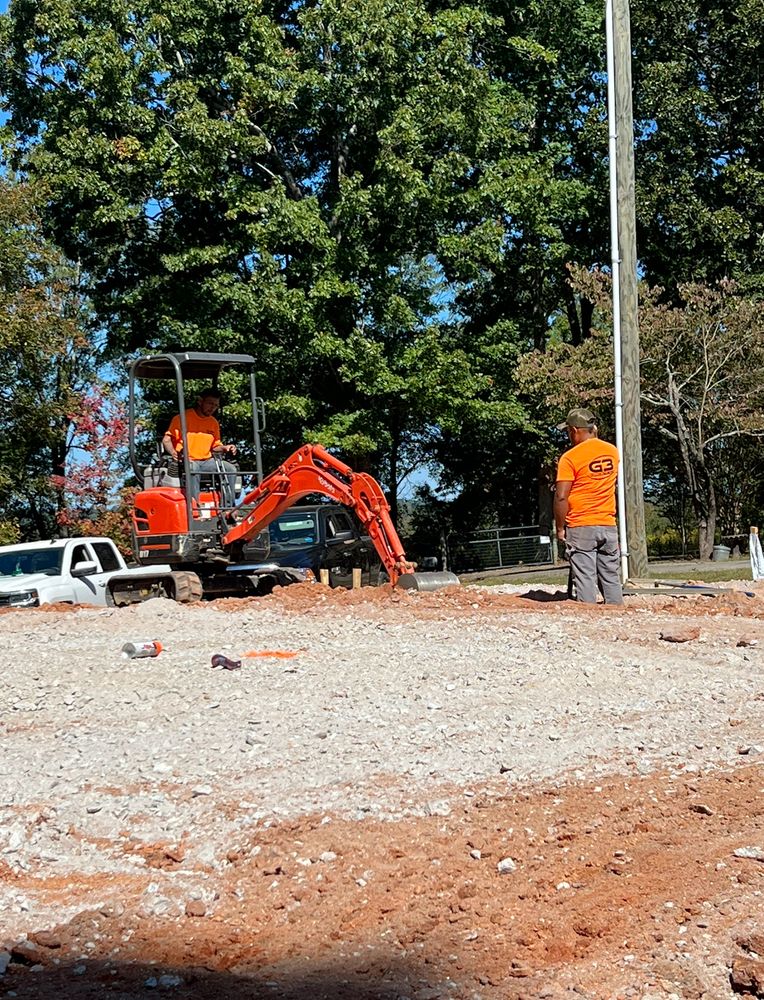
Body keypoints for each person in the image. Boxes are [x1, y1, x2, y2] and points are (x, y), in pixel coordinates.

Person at [554, 407, 623, 605]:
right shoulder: (612, 451)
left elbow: (561, 497)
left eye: (568, 431)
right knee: (611, 576)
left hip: (581, 525)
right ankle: (618, 615)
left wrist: (560, 528)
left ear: (575, 430)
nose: (568, 435)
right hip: (608, 525)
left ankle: (589, 622)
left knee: (585, 578)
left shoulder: (570, 457)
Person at [162, 388, 238, 512]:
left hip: (207, 461)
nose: (212, 408)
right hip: (188, 461)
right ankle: (194, 508)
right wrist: (173, 453)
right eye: (210, 403)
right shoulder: (182, 418)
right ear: (200, 401)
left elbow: (215, 446)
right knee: (193, 469)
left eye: (216, 405)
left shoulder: (213, 422)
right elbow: (166, 439)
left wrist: (225, 448)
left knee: (230, 469)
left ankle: (228, 509)